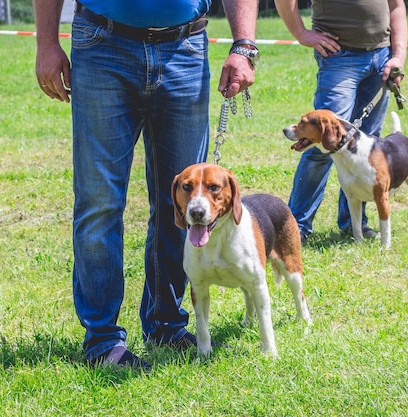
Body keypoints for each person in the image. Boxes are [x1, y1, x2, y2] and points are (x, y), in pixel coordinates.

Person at [33, 0, 258, 370]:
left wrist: (244, 44)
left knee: (186, 207)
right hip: (101, 46)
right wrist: (46, 42)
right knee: (99, 203)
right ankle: (103, 342)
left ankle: (165, 324)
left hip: (184, 49)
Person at [275, 0, 408, 243]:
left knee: (368, 146)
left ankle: (353, 225)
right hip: (339, 56)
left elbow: (396, 6)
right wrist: (301, 33)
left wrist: (398, 55)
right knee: (322, 143)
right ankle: (296, 230)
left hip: (382, 56)